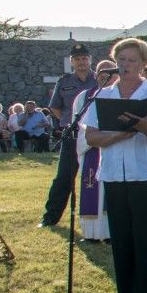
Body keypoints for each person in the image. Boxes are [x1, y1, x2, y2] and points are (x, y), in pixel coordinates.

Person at [83, 37, 147, 293]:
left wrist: (144, 127)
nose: (125, 65)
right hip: (114, 175)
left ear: (143, 64)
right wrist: (121, 134)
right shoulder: (104, 95)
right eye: (121, 60)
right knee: (121, 238)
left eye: (132, 60)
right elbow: (92, 136)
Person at [40, 42, 97, 226]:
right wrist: (69, 121)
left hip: (94, 135)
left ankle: (98, 223)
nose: (81, 62)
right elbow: (55, 106)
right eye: (77, 59)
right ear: (71, 62)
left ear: (90, 60)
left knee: (95, 177)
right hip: (72, 134)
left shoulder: (99, 80)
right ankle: (50, 217)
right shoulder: (64, 81)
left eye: (84, 58)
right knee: (64, 176)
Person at [71, 61, 120, 240]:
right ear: (96, 74)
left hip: (114, 147)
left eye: (109, 72)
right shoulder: (84, 96)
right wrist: (94, 138)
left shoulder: (121, 93)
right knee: (92, 187)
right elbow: (78, 123)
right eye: (101, 72)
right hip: (91, 147)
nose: (105, 75)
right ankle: (91, 232)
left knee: (110, 192)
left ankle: (109, 233)